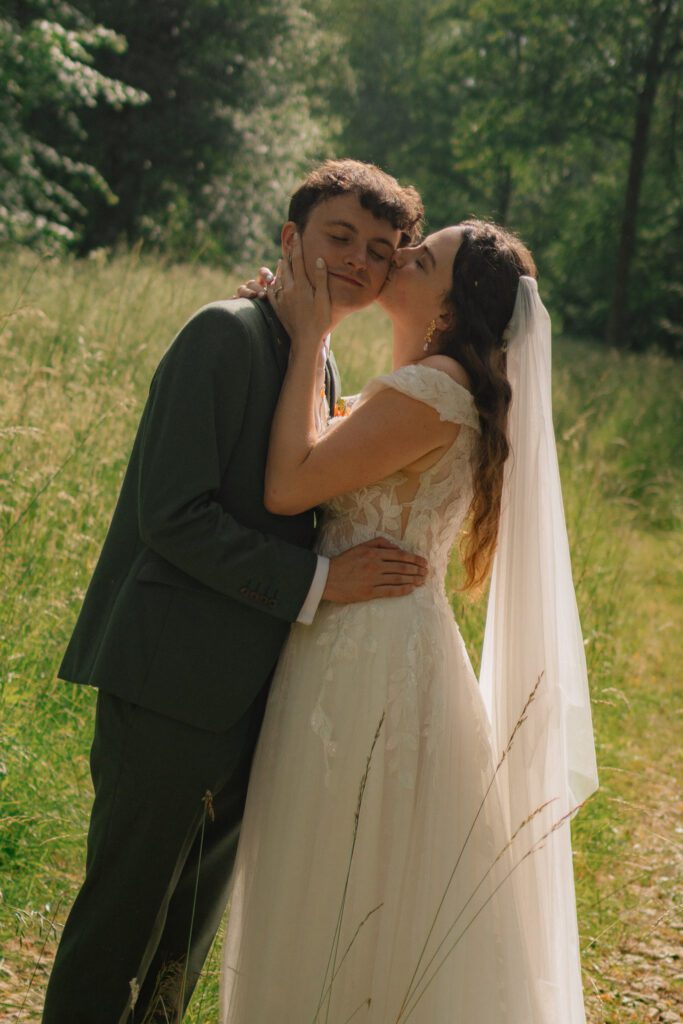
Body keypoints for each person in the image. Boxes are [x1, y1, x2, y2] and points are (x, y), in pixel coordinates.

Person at [41, 159, 428, 1024]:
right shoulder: (222, 333)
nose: (359, 261)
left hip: (252, 692)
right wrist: (322, 584)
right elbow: (172, 515)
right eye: (337, 237)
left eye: (379, 248)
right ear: (290, 240)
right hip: (170, 681)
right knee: (121, 925)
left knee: (185, 933)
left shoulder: (312, 358)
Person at [220, 220, 599, 1021]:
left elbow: (289, 487)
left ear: (449, 308)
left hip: (364, 653)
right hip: (378, 636)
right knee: (367, 876)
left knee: (340, 874)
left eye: (419, 260)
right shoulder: (428, 383)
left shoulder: (430, 389)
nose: (396, 257)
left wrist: (309, 332)